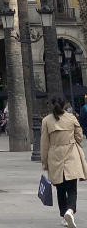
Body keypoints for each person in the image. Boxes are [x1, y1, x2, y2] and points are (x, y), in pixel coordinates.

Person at [42, 93, 87, 228]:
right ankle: (70, 210)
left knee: (60, 188)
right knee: (72, 188)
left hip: (55, 156)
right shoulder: (71, 118)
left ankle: (63, 215)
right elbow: (79, 136)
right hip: (71, 154)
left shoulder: (47, 121)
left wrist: (44, 161)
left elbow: (44, 143)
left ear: (52, 105)